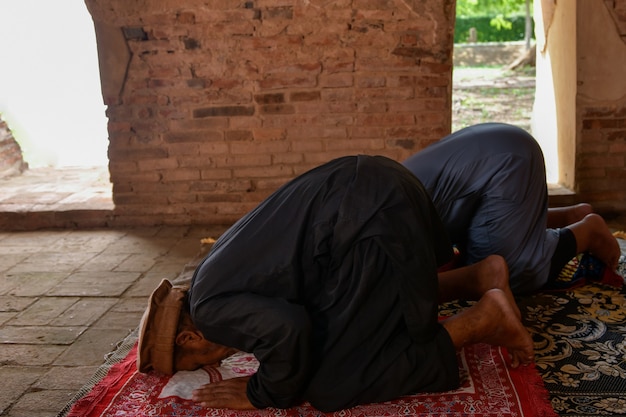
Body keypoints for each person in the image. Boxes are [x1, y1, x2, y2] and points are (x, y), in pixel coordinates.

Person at [137, 155, 534, 412]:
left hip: (373, 224)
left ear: (187, 339)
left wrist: (264, 392)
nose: (214, 364)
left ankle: (484, 320)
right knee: (342, 325)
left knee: (332, 382)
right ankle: (478, 277)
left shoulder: (209, 313)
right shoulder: (209, 274)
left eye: (195, 363)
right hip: (388, 186)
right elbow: (300, 303)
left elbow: (290, 330)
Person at [402, 123, 621, 295]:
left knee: (503, 274)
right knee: (471, 247)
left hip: (504, 166)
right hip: (497, 147)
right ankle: (569, 216)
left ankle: (586, 233)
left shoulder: (378, 227)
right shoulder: (376, 197)